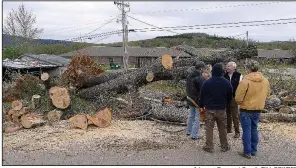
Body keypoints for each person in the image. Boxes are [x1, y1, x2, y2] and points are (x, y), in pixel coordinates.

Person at [235, 60, 270, 159]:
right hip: (258, 109)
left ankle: (247, 152)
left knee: (246, 131)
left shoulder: (245, 81)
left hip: (246, 109)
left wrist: (241, 103)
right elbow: (267, 95)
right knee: (254, 129)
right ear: (258, 68)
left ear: (249, 69)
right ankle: (254, 150)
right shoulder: (265, 81)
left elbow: (238, 98)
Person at [199, 63, 233, 153]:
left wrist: (201, 105)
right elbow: (230, 95)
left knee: (209, 129)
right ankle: (224, 146)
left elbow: (202, 96)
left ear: (213, 71)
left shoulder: (207, 83)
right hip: (221, 109)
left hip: (209, 109)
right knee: (222, 128)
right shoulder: (227, 83)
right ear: (222, 72)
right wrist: (226, 103)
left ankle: (209, 146)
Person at [186, 61, 207, 140]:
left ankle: (188, 131)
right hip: (197, 100)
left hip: (190, 98)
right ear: (201, 68)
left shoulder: (189, 76)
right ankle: (194, 134)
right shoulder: (199, 78)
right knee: (197, 117)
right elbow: (202, 90)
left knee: (191, 115)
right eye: (204, 68)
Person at [224, 61, 243, 138]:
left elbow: (241, 88)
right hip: (225, 97)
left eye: (229, 66)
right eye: (227, 66)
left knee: (235, 115)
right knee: (227, 114)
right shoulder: (224, 75)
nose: (227, 67)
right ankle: (228, 129)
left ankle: (237, 131)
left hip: (234, 97)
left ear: (234, 67)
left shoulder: (239, 75)